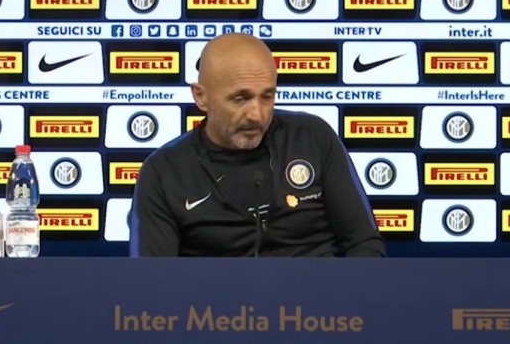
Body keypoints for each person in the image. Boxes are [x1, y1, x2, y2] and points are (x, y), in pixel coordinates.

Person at [129, 33, 385, 257]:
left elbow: (364, 243)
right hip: (216, 299)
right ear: (201, 97)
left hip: (321, 296)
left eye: (267, 96)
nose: (256, 114)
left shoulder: (313, 137)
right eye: (240, 99)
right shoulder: (163, 171)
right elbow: (152, 279)